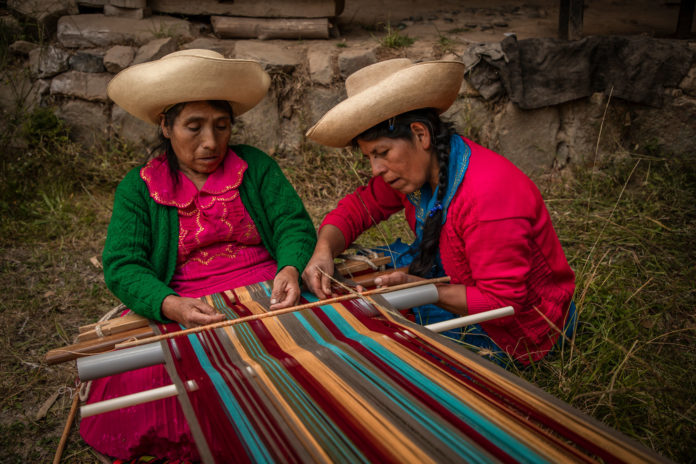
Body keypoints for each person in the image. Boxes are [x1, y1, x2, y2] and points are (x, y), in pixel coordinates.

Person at [80, 49, 316, 461]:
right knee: (150, 373)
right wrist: (169, 305)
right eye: (194, 127)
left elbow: (292, 225)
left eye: (221, 127)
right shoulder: (138, 189)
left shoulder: (255, 167)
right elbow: (123, 264)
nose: (211, 141)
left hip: (268, 289)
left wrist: (292, 268)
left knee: (321, 340)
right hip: (188, 303)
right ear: (165, 126)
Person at [302, 58, 576, 368]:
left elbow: (502, 305)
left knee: (372, 352)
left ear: (420, 135)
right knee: (358, 293)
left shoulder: (488, 197)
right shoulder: (422, 168)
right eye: (369, 157)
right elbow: (359, 208)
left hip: (519, 331)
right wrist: (323, 250)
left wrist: (421, 291)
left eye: (382, 153)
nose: (376, 170)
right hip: (457, 282)